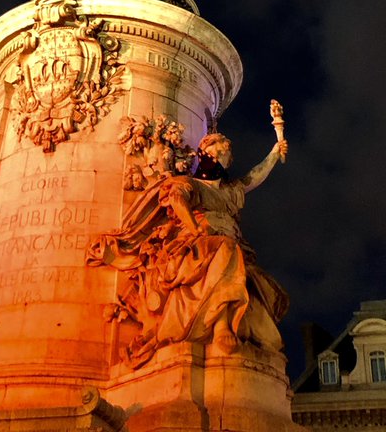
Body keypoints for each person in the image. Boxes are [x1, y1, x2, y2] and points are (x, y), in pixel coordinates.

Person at [87, 132, 288, 366]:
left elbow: (253, 178)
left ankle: (258, 339)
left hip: (226, 244)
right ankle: (222, 326)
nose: (229, 154)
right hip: (194, 245)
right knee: (227, 251)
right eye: (225, 148)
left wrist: (274, 153)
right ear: (211, 150)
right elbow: (177, 200)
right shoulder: (191, 184)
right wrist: (194, 229)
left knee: (264, 285)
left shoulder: (229, 191)